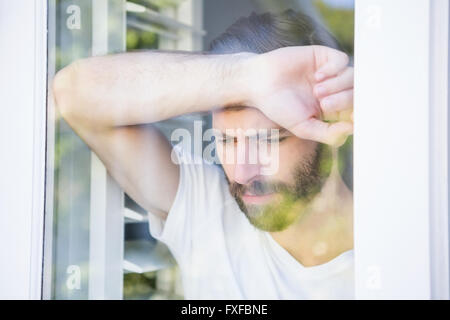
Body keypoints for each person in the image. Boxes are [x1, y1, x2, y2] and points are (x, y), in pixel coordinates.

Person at [52, 9, 354, 299]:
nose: (241, 173)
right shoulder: (207, 208)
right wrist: (246, 78)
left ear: (332, 124)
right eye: (226, 140)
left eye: (268, 140)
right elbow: (72, 92)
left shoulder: (391, 253)